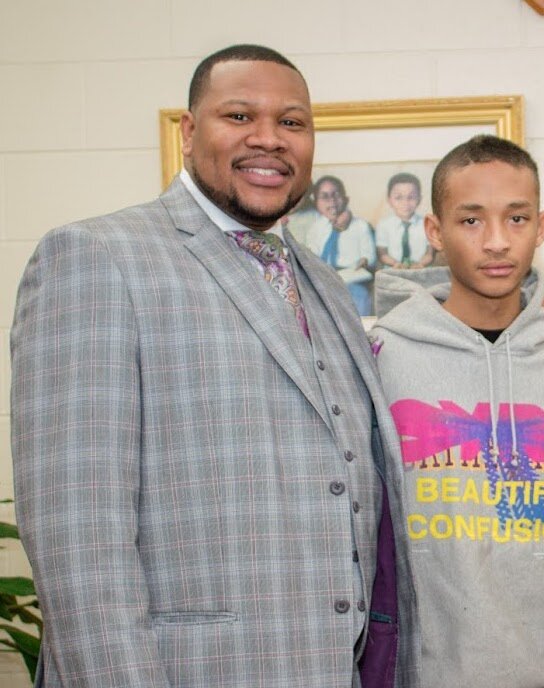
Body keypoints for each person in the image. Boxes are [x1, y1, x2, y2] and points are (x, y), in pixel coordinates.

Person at [10, 44, 416, 687]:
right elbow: (79, 538)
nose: (269, 139)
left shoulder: (323, 282)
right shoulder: (96, 256)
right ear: (189, 132)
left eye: (291, 122)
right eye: (239, 116)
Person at [369, 134, 544, 688]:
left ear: (542, 226)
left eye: (517, 218)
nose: (498, 241)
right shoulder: (383, 356)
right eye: (472, 221)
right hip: (426, 675)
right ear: (435, 231)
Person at [305, 175, 378, 316]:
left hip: (352, 276)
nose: (331, 200)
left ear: (346, 199)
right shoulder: (315, 228)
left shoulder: (360, 225)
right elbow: (312, 254)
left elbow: (369, 254)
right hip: (325, 276)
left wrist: (364, 260)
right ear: (316, 203)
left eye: (336, 195)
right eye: (324, 196)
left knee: (360, 296)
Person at [376, 172, 433, 269]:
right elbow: (383, 254)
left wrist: (420, 264)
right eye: (398, 198)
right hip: (393, 270)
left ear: (419, 199)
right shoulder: (383, 225)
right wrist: (395, 264)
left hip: (419, 270)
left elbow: (430, 254)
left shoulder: (428, 224)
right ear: (389, 199)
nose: (405, 203)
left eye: (411, 197)